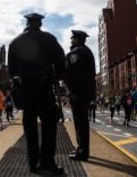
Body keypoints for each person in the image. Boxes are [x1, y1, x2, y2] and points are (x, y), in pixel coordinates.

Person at [8, 13, 65, 174]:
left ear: (27, 23)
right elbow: (61, 61)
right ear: (39, 24)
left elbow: (11, 70)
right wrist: (57, 77)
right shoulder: (49, 39)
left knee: (30, 129)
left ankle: (33, 164)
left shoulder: (15, 42)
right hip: (44, 89)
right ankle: (47, 162)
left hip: (25, 92)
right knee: (49, 127)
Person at [66, 30, 96, 162]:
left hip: (77, 94)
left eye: (72, 38)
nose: (71, 40)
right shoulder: (87, 51)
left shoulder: (76, 53)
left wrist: (71, 90)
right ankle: (81, 148)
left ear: (77, 39)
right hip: (85, 93)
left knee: (80, 123)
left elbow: (71, 74)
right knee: (82, 123)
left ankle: (82, 152)